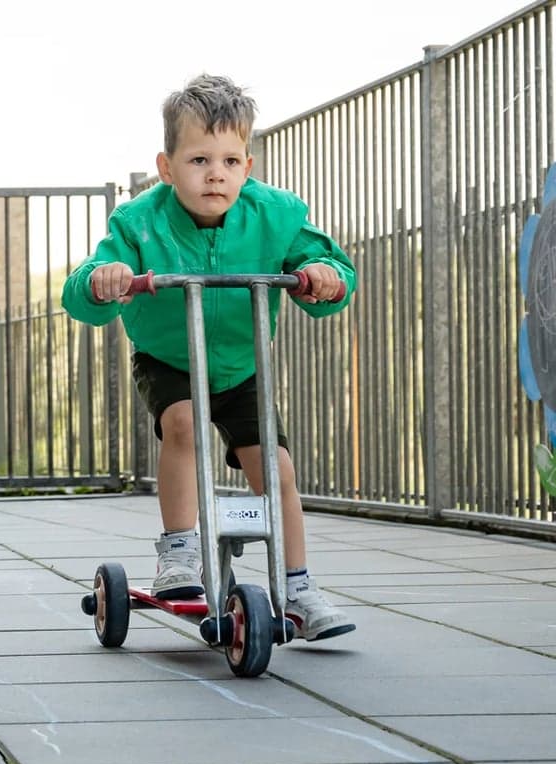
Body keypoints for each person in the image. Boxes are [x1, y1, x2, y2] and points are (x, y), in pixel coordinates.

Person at [61, 74, 357, 641]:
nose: (214, 173)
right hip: (170, 356)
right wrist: (104, 281)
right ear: (166, 167)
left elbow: (336, 271)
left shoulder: (278, 215)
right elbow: (82, 291)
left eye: (229, 160)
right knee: (183, 424)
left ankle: (297, 586)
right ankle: (178, 553)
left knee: (276, 470)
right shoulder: (137, 221)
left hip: (244, 367)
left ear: (248, 165)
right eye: (198, 159)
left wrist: (325, 279)